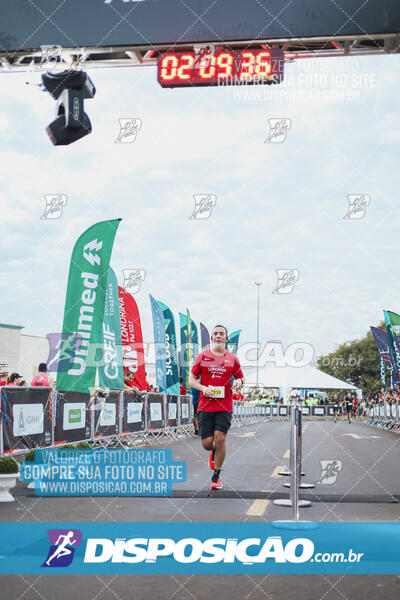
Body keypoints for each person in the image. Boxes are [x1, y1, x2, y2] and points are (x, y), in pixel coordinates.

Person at [188, 324, 244, 491]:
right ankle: (213, 452)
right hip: (205, 405)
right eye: (215, 334)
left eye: (222, 334)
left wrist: (240, 382)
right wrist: (203, 388)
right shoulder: (202, 357)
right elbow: (191, 380)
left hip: (224, 405)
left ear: (226, 338)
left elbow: (240, 378)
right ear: (212, 337)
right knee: (207, 444)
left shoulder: (233, 359)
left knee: (220, 438)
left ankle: (216, 477)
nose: (218, 336)